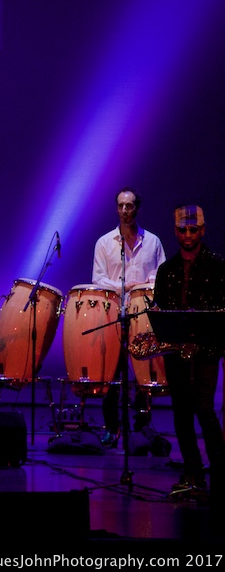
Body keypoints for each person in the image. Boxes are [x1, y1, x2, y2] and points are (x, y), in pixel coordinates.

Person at [152, 204, 225, 496]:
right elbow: (159, 309)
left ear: (203, 230)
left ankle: (219, 477)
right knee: (181, 413)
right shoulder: (166, 270)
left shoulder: (217, 266)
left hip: (206, 350)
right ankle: (193, 475)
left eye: (193, 229)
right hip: (176, 352)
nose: (187, 235)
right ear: (175, 231)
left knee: (205, 411)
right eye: (182, 229)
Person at [91, 187, 166, 446]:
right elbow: (98, 279)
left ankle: (143, 426)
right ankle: (112, 427)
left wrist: (143, 286)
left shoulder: (153, 242)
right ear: (116, 208)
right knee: (112, 373)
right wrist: (128, 285)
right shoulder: (104, 243)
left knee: (144, 372)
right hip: (114, 314)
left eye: (130, 206)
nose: (125, 210)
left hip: (143, 315)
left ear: (137, 209)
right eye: (121, 206)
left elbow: (161, 278)